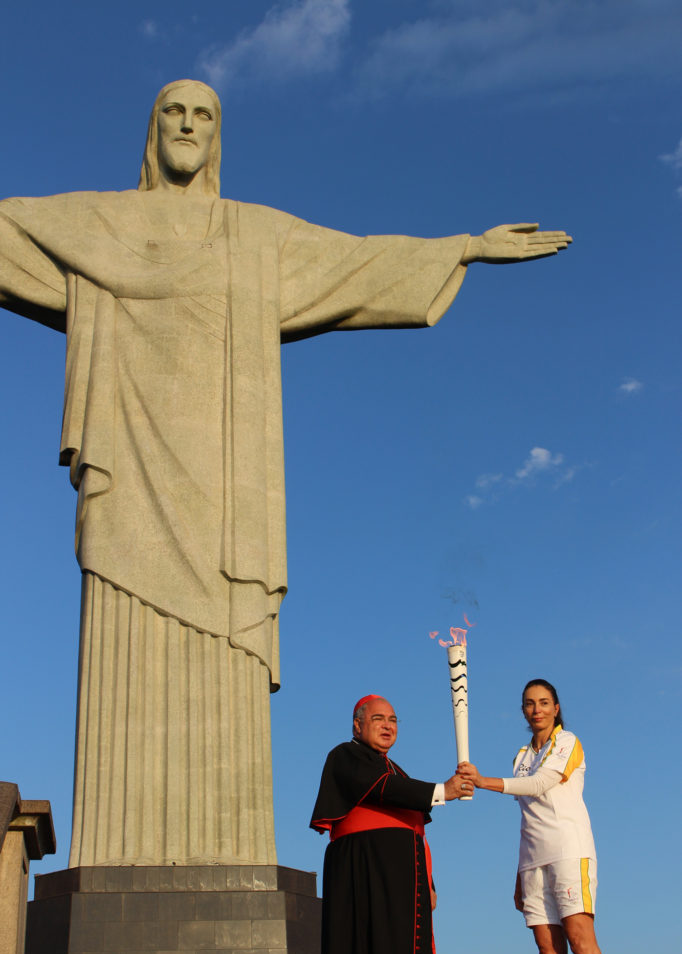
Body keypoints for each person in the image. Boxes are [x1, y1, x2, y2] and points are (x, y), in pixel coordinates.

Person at [0, 79, 570, 868]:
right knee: (126, 633)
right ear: (151, 129)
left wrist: (463, 246)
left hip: (227, 492)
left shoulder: (253, 238)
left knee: (226, 644)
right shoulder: (101, 224)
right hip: (129, 475)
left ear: (218, 136)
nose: (188, 126)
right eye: (174, 112)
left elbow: (354, 262)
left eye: (204, 115)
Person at [310, 694, 471, 954]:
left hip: (401, 881)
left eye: (393, 720)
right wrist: (443, 790)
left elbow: (414, 826)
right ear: (357, 726)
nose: (387, 725)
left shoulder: (396, 769)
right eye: (378, 719)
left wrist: (429, 883)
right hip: (365, 873)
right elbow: (386, 789)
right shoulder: (345, 755)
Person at [457, 680, 608, 954]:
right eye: (529, 703)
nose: (537, 709)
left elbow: (541, 785)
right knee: (548, 952)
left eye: (543, 702)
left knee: (579, 940)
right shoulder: (521, 758)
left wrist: (482, 782)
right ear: (523, 710)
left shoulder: (567, 743)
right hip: (533, 863)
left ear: (556, 708)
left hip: (570, 851)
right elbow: (528, 816)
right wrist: (519, 874)